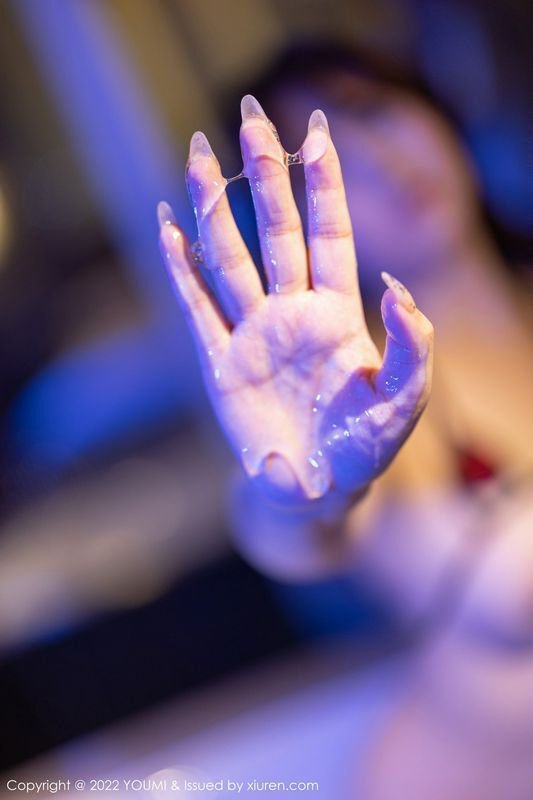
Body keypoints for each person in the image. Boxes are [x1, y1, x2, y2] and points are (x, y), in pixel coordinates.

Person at [158, 44, 533, 799]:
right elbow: (293, 535)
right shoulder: (365, 397)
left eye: (374, 112)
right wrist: (304, 486)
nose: (384, 164)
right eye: (332, 166)